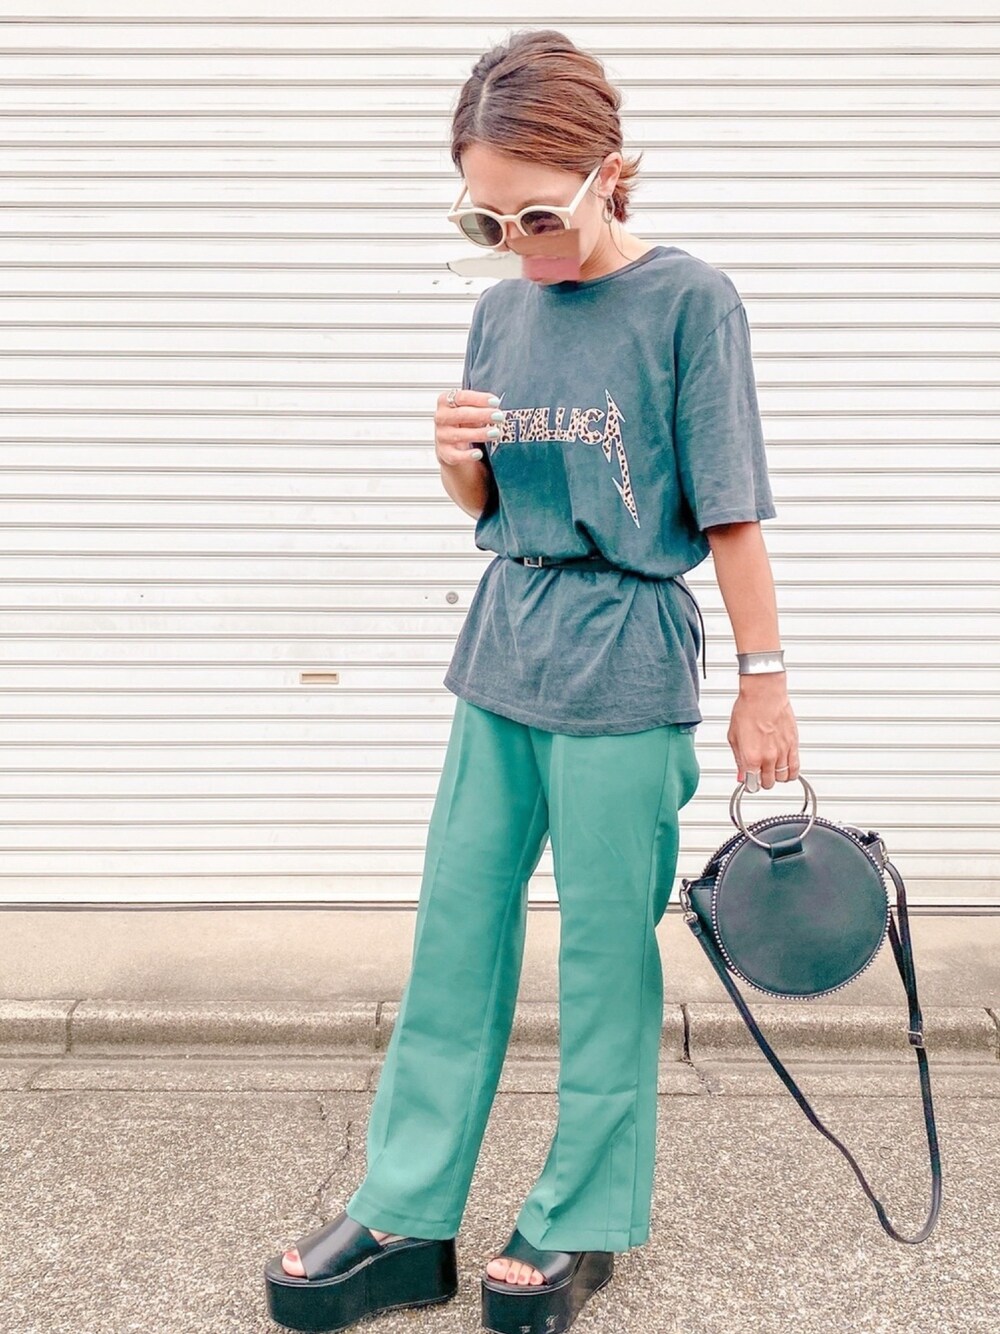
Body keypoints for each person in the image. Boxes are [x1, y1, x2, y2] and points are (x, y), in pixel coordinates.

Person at [263, 26, 800, 1334]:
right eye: (485, 221)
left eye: (539, 214)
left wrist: (764, 682)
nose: (518, 245)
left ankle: (581, 1218)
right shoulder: (501, 308)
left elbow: (731, 509)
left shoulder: (691, 303)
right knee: (456, 936)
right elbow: (493, 507)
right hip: (505, 642)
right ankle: (405, 1214)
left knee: (607, 956)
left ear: (611, 172)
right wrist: (457, 463)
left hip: (628, 652)